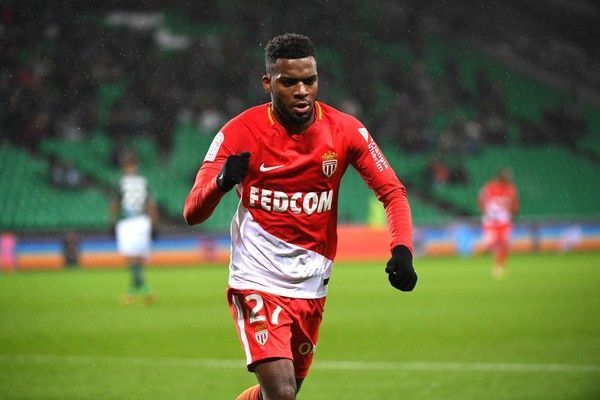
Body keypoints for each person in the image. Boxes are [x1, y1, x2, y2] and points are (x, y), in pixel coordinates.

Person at [183, 33, 417, 400]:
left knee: (277, 394)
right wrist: (222, 181)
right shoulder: (239, 132)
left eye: (309, 80)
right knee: (282, 395)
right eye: (289, 82)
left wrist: (402, 248)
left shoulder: (346, 131)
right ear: (268, 83)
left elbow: (392, 192)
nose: (302, 91)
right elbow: (192, 211)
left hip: (312, 286)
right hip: (256, 280)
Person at [110, 150, 159, 304]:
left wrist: (113, 222)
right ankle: (139, 289)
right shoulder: (143, 182)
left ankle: (140, 289)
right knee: (137, 257)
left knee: (132, 257)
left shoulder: (120, 183)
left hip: (127, 222)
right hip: (142, 221)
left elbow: (114, 205)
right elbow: (151, 205)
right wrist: (154, 224)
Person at [478, 168, 519, 279]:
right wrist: (487, 212)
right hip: (491, 221)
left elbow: (515, 204)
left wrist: (513, 212)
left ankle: (499, 266)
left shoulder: (511, 189)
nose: (507, 179)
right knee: (491, 243)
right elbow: (481, 200)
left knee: (505, 244)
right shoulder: (490, 187)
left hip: (504, 221)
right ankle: (489, 256)